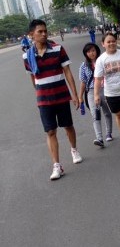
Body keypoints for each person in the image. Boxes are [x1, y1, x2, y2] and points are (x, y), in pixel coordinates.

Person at [23, 19, 83, 180]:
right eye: (39, 32)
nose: (43, 34)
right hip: (44, 100)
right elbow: (33, 78)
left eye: (45, 31)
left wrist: (75, 95)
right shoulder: (27, 55)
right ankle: (57, 165)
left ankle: (74, 149)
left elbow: (68, 72)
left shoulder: (57, 49)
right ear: (31, 35)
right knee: (50, 131)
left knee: (68, 126)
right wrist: (39, 92)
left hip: (62, 96)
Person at [78, 42, 113, 147]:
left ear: (97, 50)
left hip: (105, 89)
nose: (91, 53)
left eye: (93, 50)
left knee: (107, 112)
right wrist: (80, 97)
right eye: (88, 51)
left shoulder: (103, 61)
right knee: (95, 115)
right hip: (91, 92)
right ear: (85, 54)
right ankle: (99, 138)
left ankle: (108, 133)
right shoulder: (83, 66)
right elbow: (83, 82)